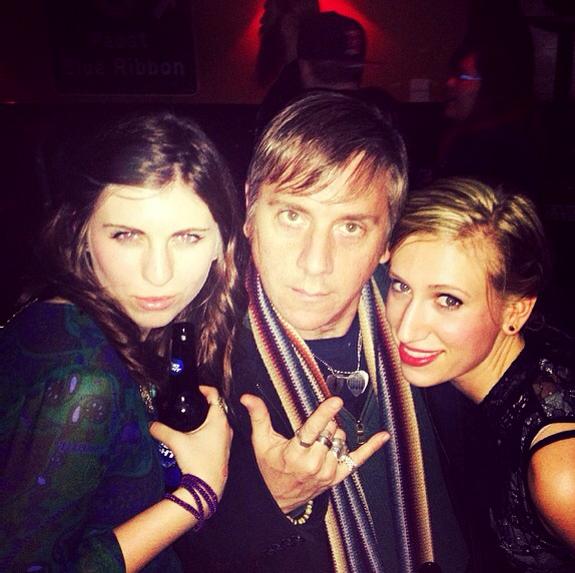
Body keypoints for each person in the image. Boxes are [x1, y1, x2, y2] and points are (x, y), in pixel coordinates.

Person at [181, 92, 468, 572]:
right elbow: (166, 551)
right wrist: (270, 501)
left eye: (350, 227)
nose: (315, 262)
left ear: (387, 240)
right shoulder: (196, 358)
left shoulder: (433, 321)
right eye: (293, 216)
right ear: (250, 209)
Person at [0, 112, 246, 571]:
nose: (159, 273)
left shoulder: (79, 320)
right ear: (82, 234)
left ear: (221, 243)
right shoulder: (82, 382)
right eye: (128, 235)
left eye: (187, 237)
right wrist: (197, 494)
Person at [386, 177, 575, 572]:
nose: (406, 329)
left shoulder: (558, 471)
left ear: (515, 311)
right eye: (400, 286)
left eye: (448, 300)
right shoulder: (471, 379)